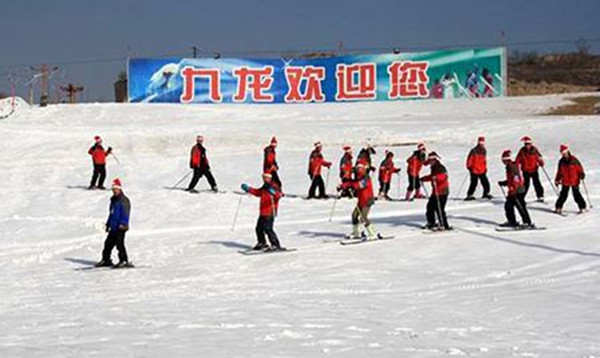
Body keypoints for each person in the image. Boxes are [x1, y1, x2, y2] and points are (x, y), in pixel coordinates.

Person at [241, 173, 284, 251]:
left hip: (270, 211)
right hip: (263, 211)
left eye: (266, 177)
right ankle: (262, 243)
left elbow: (279, 195)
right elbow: (258, 192)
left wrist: (273, 192)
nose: (264, 179)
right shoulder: (265, 186)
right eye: (263, 177)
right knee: (258, 228)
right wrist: (248, 189)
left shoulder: (274, 186)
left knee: (268, 228)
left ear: (270, 178)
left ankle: (275, 245)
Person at [95, 179, 132, 268]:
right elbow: (111, 213)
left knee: (119, 244)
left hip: (121, 227)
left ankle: (124, 260)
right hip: (114, 226)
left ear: (119, 189)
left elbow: (126, 213)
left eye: (115, 189)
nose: (114, 191)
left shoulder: (124, 200)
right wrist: (108, 224)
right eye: (113, 189)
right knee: (108, 244)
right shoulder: (113, 200)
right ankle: (106, 260)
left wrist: (123, 223)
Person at [338, 163, 380, 240]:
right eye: (357, 169)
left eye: (359, 169)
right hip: (361, 200)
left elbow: (360, 185)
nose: (358, 171)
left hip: (367, 199)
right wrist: (342, 186)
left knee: (363, 217)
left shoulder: (366, 177)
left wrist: (351, 185)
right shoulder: (358, 176)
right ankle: (356, 233)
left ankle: (372, 233)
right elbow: (351, 182)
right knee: (354, 215)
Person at [498, 150, 533, 228]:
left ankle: (527, 222)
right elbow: (511, 179)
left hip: (518, 191)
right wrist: (504, 183)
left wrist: (513, 188)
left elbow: (516, 179)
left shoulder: (512, 166)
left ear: (505, 159)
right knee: (508, 206)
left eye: (503, 159)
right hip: (513, 191)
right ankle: (512, 221)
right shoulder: (509, 166)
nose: (502, 161)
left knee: (521, 206)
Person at [421, 152, 451, 230]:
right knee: (430, 207)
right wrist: (424, 178)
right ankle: (431, 223)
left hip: (442, 191)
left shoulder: (440, 167)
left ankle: (444, 224)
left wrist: (436, 178)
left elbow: (444, 176)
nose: (430, 162)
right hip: (436, 191)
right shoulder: (433, 167)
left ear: (434, 160)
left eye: (431, 160)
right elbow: (432, 176)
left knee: (439, 208)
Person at [554, 145, 587, 214]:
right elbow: (559, 172)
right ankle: (558, 207)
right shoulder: (561, 162)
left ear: (568, 152)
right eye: (562, 153)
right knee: (563, 195)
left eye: (565, 153)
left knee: (576, 195)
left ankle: (582, 207)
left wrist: (581, 174)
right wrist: (557, 179)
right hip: (565, 181)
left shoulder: (574, 160)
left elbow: (580, 168)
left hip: (574, 180)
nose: (564, 155)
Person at [516, 136, 545, 202]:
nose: (527, 146)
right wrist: (516, 167)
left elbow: (539, 157)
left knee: (537, 183)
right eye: (525, 144)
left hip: (534, 169)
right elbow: (518, 160)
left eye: (528, 144)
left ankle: (540, 195)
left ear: (531, 144)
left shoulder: (535, 150)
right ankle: (521, 197)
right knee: (526, 184)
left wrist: (541, 162)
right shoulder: (522, 151)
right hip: (525, 170)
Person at [465, 136, 492, 200]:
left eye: (482, 142)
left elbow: (484, 160)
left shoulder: (484, 150)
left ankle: (486, 193)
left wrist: (485, 168)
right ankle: (470, 194)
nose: (482, 143)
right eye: (480, 142)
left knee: (485, 182)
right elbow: (469, 159)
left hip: (482, 170)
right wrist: (469, 167)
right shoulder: (474, 150)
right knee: (474, 183)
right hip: (474, 169)